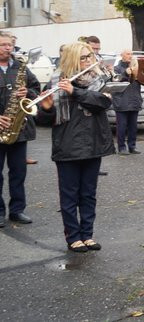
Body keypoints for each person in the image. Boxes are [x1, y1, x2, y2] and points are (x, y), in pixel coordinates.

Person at [36, 42, 115, 252]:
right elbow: (45, 120)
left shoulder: (99, 80)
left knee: (88, 193)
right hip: (67, 145)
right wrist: (46, 109)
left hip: (93, 143)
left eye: (89, 56)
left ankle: (87, 234)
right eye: (83, 57)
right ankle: (73, 236)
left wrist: (74, 92)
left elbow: (102, 103)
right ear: (72, 59)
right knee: (70, 194)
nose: (89, 60)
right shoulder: (56, 81)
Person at [0, 32, 40, 227]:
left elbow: (37, 89)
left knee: (18, 172)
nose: (8, 48)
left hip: (18, 129)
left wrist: (29, 92)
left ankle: (17, 210)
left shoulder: (20, 66)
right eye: (3, 45)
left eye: (9, 45)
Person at [112, 49, 142, 155]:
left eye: (131, 54)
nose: (130, 56)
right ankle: (121, 147)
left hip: (134, 100)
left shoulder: (136, 67)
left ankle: (132, 146)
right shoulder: (116, 68)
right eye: (128, 54)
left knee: (133, 126)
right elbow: (115, 80)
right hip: (122, 102)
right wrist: (125, 72)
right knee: (122, 126)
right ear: (122, 55)